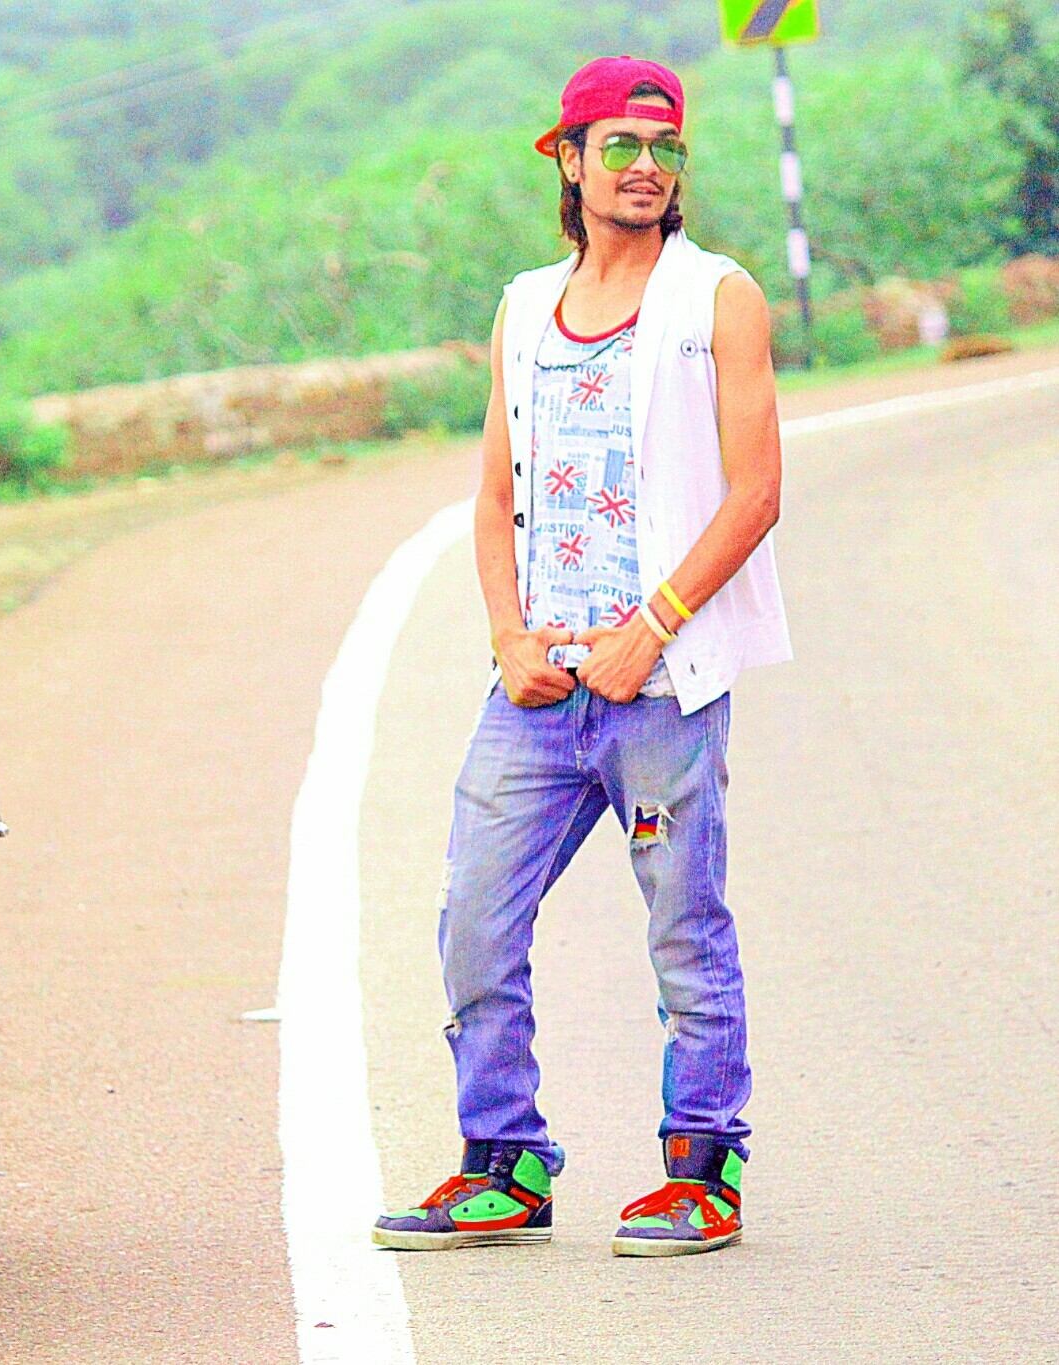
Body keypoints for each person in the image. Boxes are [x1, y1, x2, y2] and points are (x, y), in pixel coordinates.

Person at [372, 55, 790, 1257]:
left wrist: (649, 628)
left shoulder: (715, 299)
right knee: (472, 921)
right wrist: (506, 636)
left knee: (683, 930)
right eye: (619, 146)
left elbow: (754, 493)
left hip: (659, 689)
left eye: (664, 148)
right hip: (535, 689)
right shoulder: (523, 306)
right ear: (566, 157)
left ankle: (701, 1169)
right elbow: (492, 494)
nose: (644, 167)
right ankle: (502, 1163)